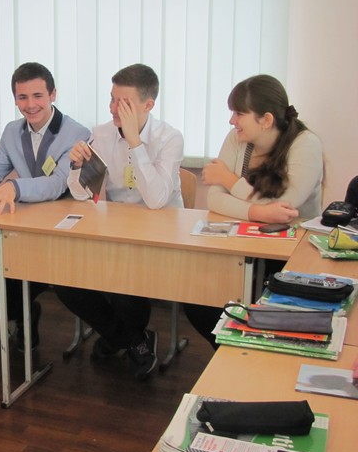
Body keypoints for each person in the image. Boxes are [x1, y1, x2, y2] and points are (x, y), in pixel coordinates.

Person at [0, 62, 90, 350]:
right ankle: (23, 314)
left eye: (38, 96)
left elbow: (57, 184)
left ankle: (22, 311)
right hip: (24, 221)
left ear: (53, 94)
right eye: (22, 97)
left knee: (28, 269)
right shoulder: (12, 131)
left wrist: (15, 187)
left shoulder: (76, 133)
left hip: (60, 225)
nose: (30, 105)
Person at [54, 63, 184, 380]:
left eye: (122, 103)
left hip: (158, 238)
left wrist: (136, 144)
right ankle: (131, 339)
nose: (112, 109)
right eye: (111, 99)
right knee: (65, 280)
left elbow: (156, 200)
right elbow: (82, 195)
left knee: (126, 286)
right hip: (113, 234)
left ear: (148, 105)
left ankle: (118, 338)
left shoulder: (169, 139)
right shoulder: (101, 134)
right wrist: (76, 166)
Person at [185, 74, 324, 349]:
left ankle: (249, 356)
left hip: (289, 254)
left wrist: (228, 179)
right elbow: (214, 199)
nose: (231, 121)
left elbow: (286, 206)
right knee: (197, 301)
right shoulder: (237, 139)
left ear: (266, 119)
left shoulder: (306, 144)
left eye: (239, 113)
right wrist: (260, 212)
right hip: (240, 244)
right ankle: (232, 354)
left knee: (266, 314)